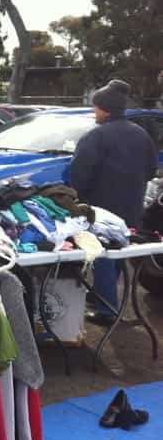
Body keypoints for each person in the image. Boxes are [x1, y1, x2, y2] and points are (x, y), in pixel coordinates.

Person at [70, 79, 158, 325]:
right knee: (117, 253)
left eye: (96, 107)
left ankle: (107, 310)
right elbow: (151, 170)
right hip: (132, 207)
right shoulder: (141, 134)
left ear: (105, 108)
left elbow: (79, 175)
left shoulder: (96, 136)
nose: (94, 111)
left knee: (103, 256)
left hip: (102, 209)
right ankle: (102, 295)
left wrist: (79, 199)